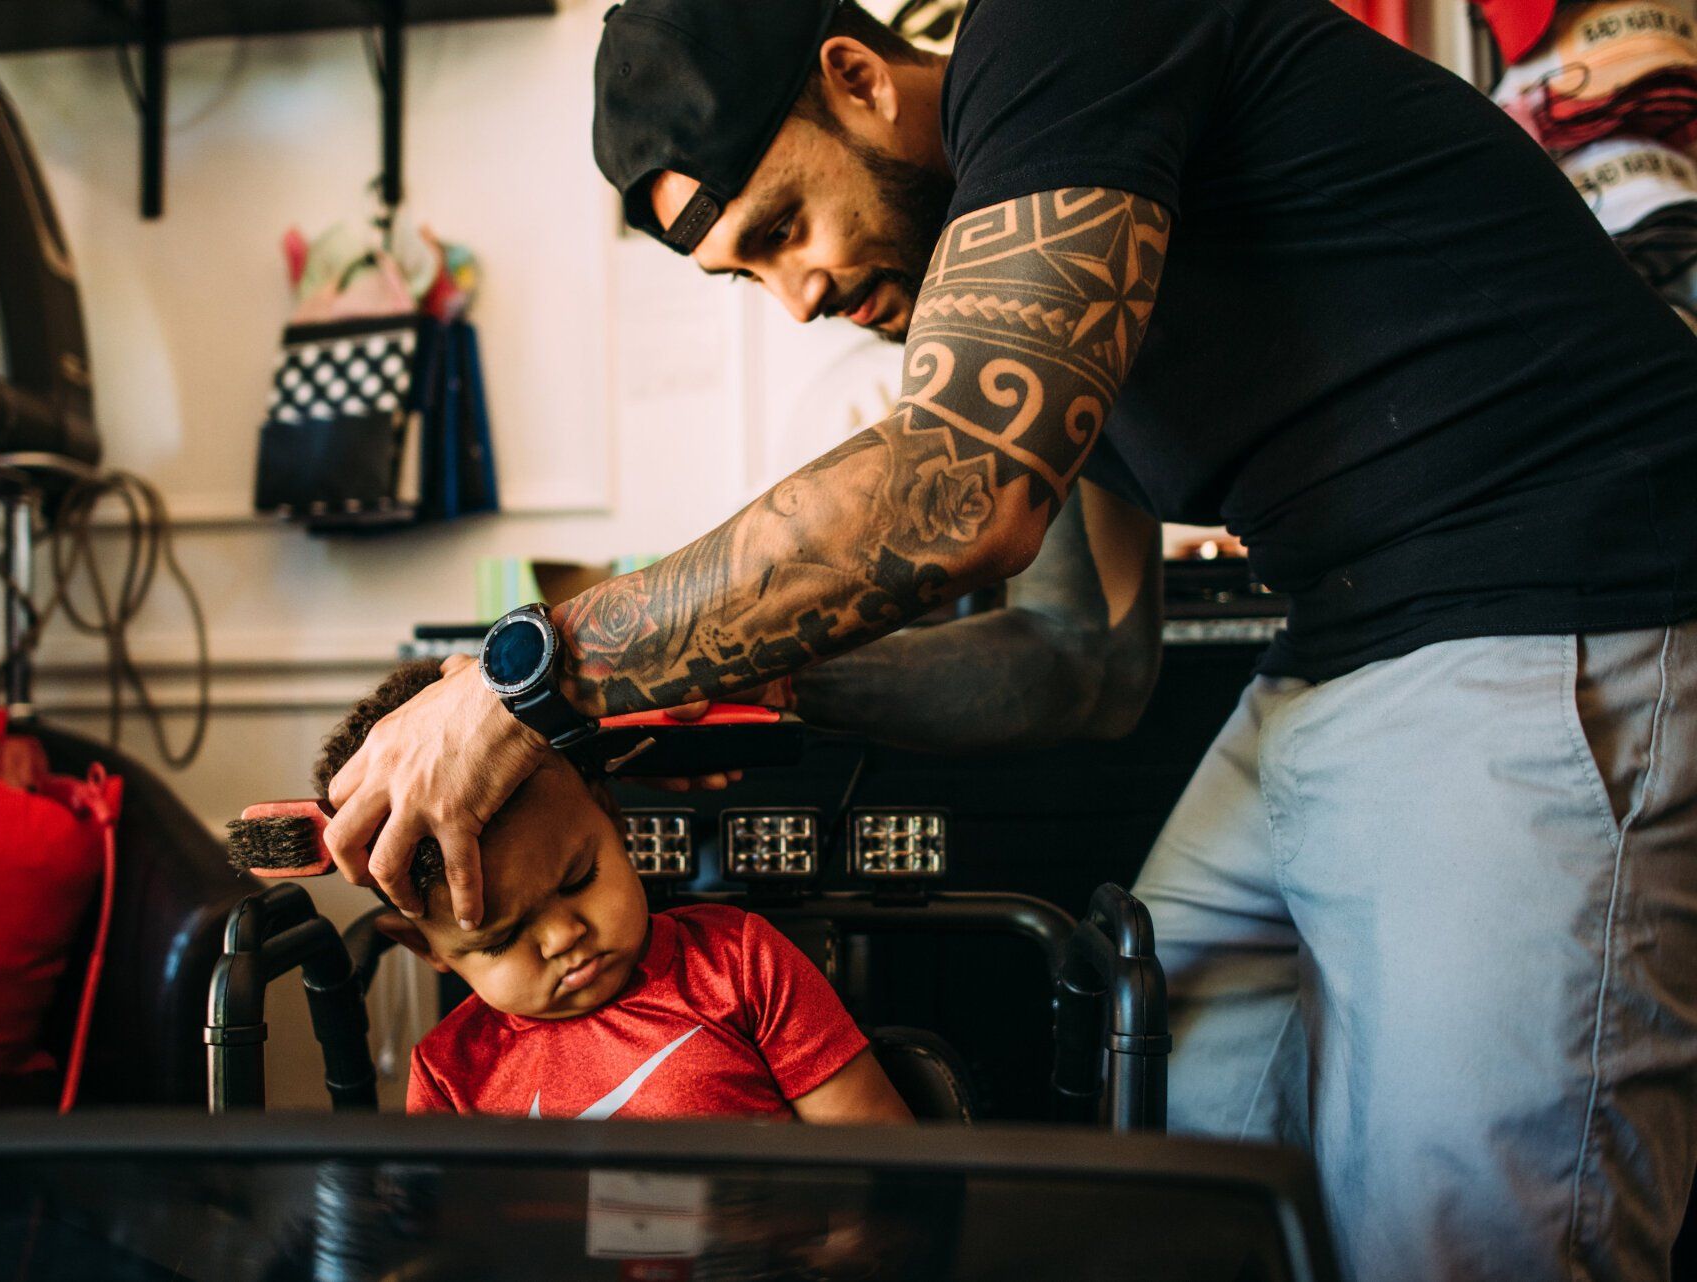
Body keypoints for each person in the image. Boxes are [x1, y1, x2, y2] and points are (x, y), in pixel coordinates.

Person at [323, 0, 1697, 1277]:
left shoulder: (1057, 40)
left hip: (1553, 602)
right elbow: (1079, 660)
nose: (797, 295)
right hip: (1341, 643)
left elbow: (960, 486)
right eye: (750, 273)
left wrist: (531, 675)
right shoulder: (1016, 259)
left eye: (786, 220)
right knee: (1175, 1153)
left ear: (855, 79)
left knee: (1463, 1236)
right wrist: (741, 682)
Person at [319, 659, 913, 1123]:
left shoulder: (738, 964)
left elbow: (879, 1173)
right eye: (500, 940)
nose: (563, 936)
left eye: (580, 879)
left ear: (612, 819)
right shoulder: (450, 1076)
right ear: (431, 951)